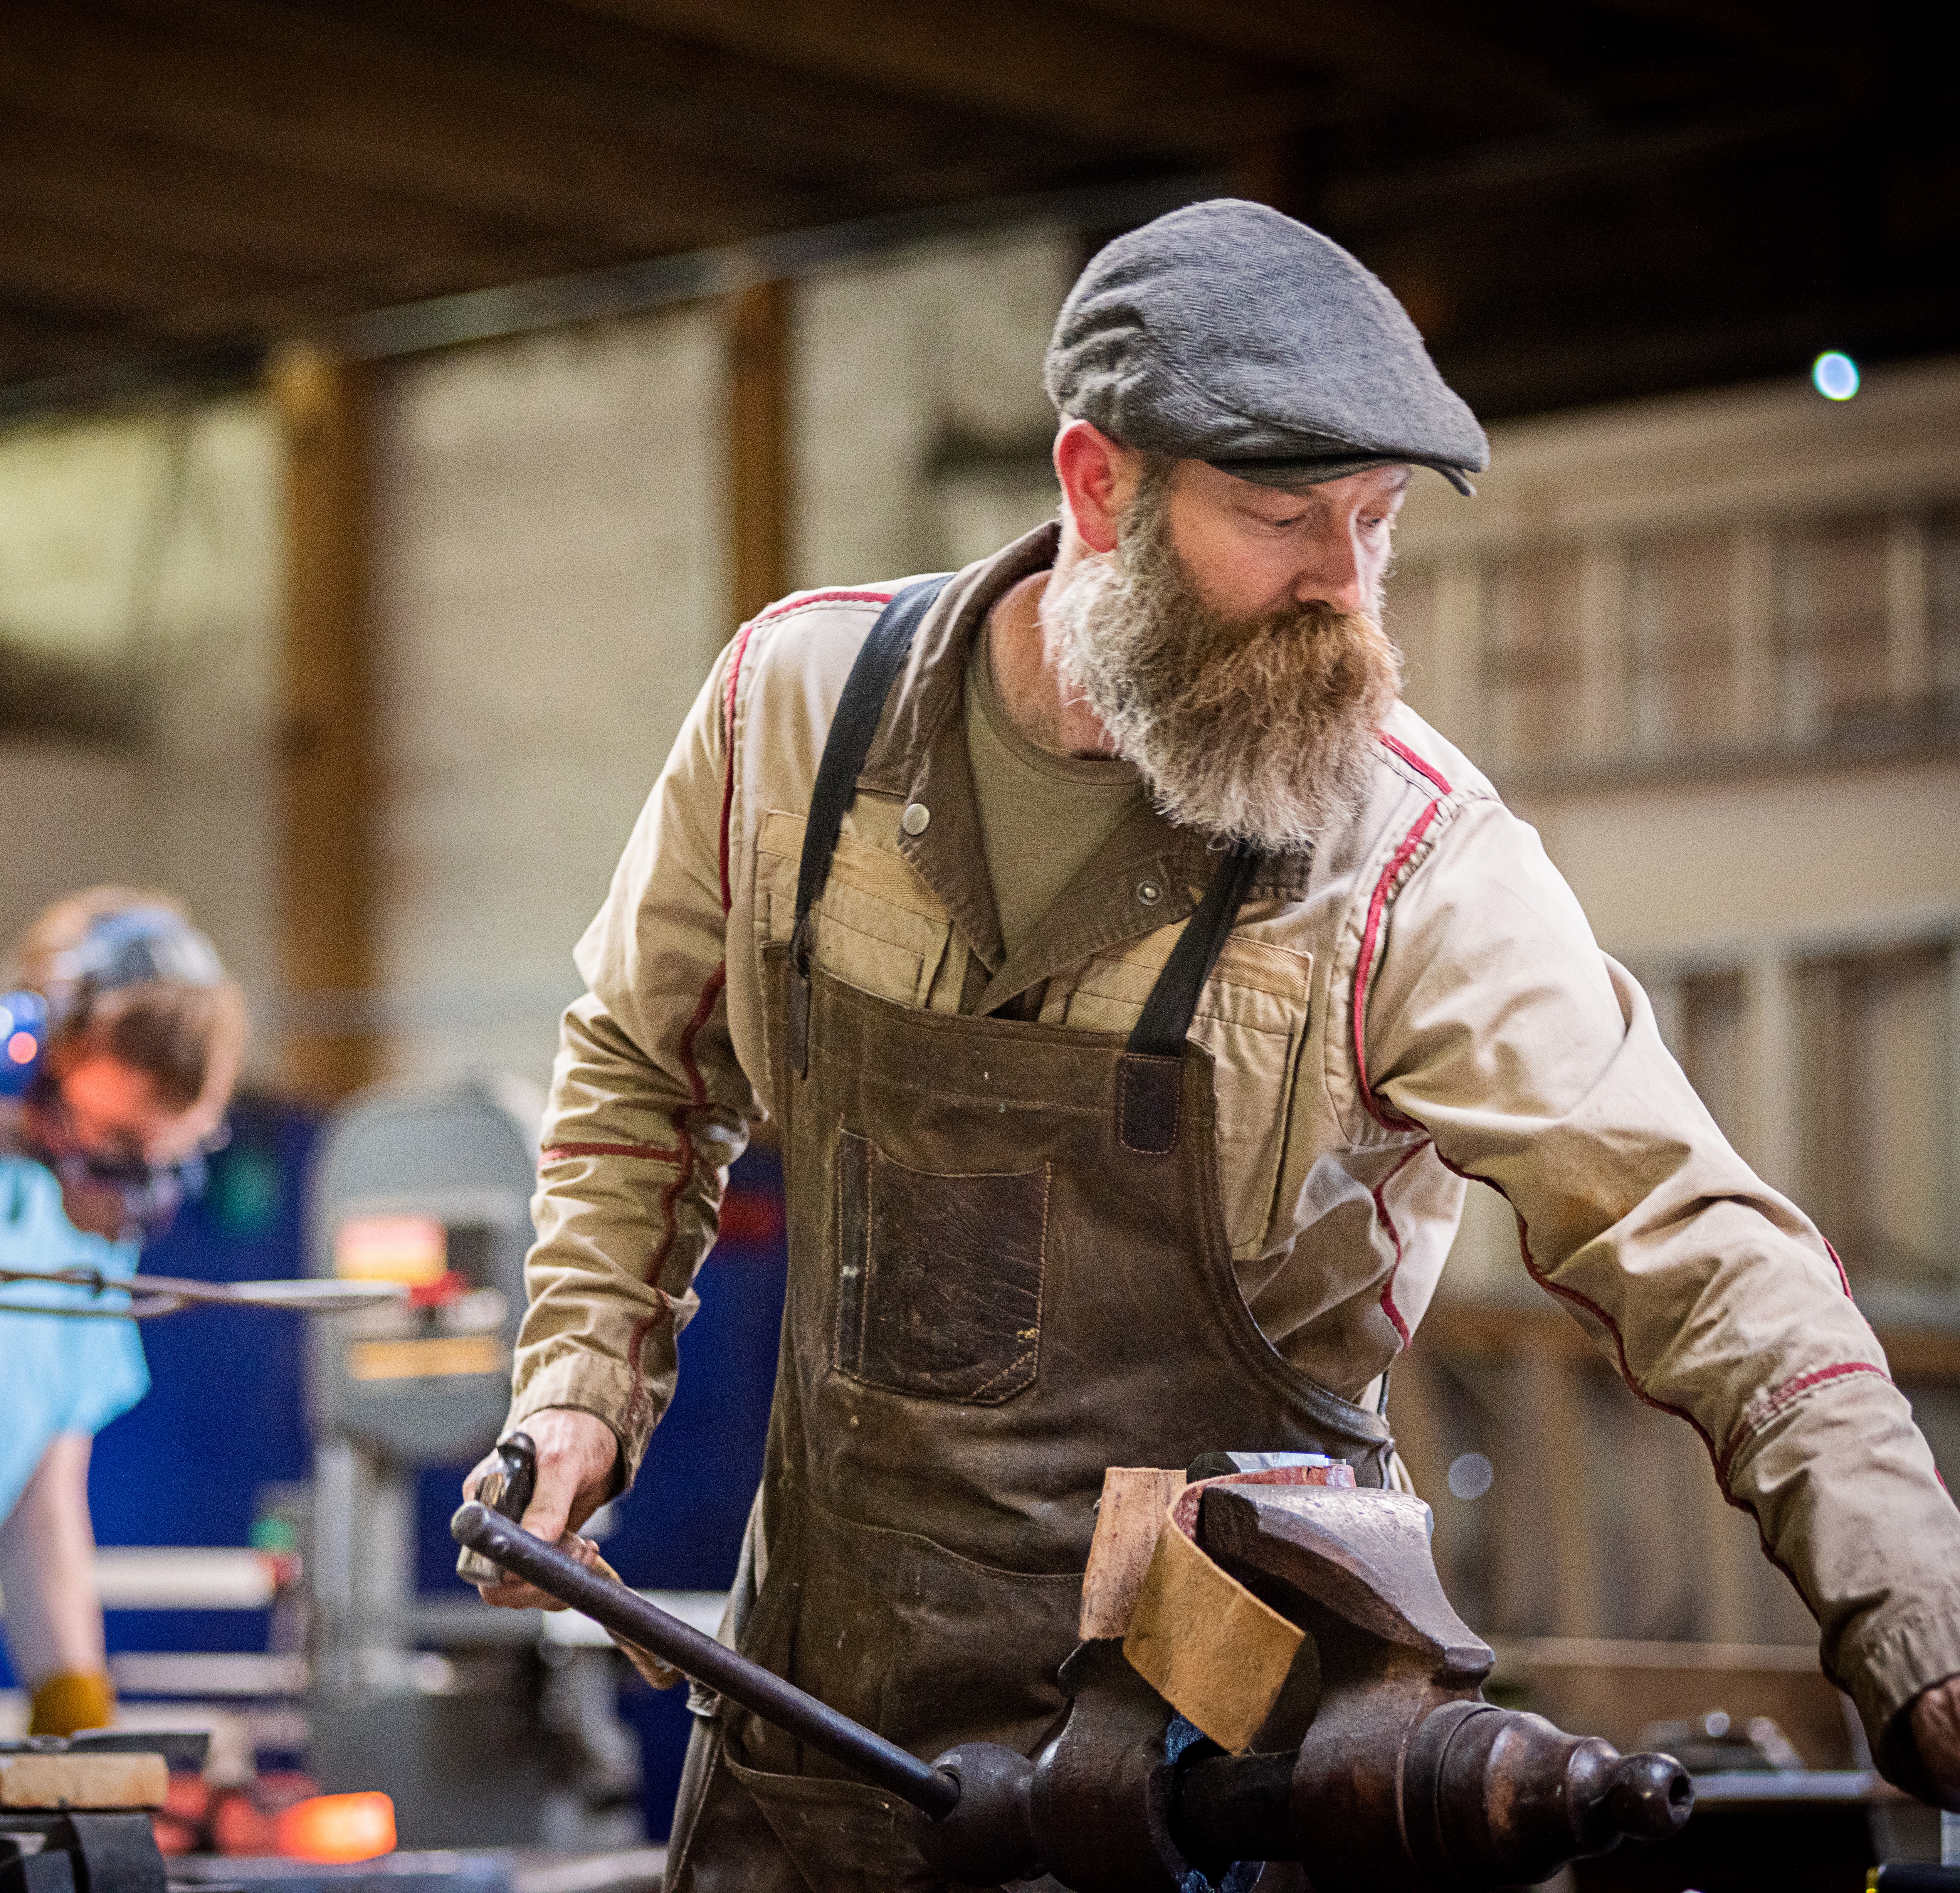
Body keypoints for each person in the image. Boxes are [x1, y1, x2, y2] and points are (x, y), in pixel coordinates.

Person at [473, 201, 1960, 1885]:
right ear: (1095, 483)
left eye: (1376, 521)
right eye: (1279, 515)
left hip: (1217, 1797)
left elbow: (1699, 1245)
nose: (1343, 583)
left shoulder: (1405, 865)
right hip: (817, 1748)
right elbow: (638, 1066)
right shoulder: (792, 721)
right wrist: (582, 1389)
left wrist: (1917, 1619)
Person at [0, 888, 245, 1738]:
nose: (128, 1191)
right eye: (111, 1144)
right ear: (26, 1057)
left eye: (160, 1158)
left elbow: (41, 1498)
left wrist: (76, 1722)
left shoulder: (81, 1249)